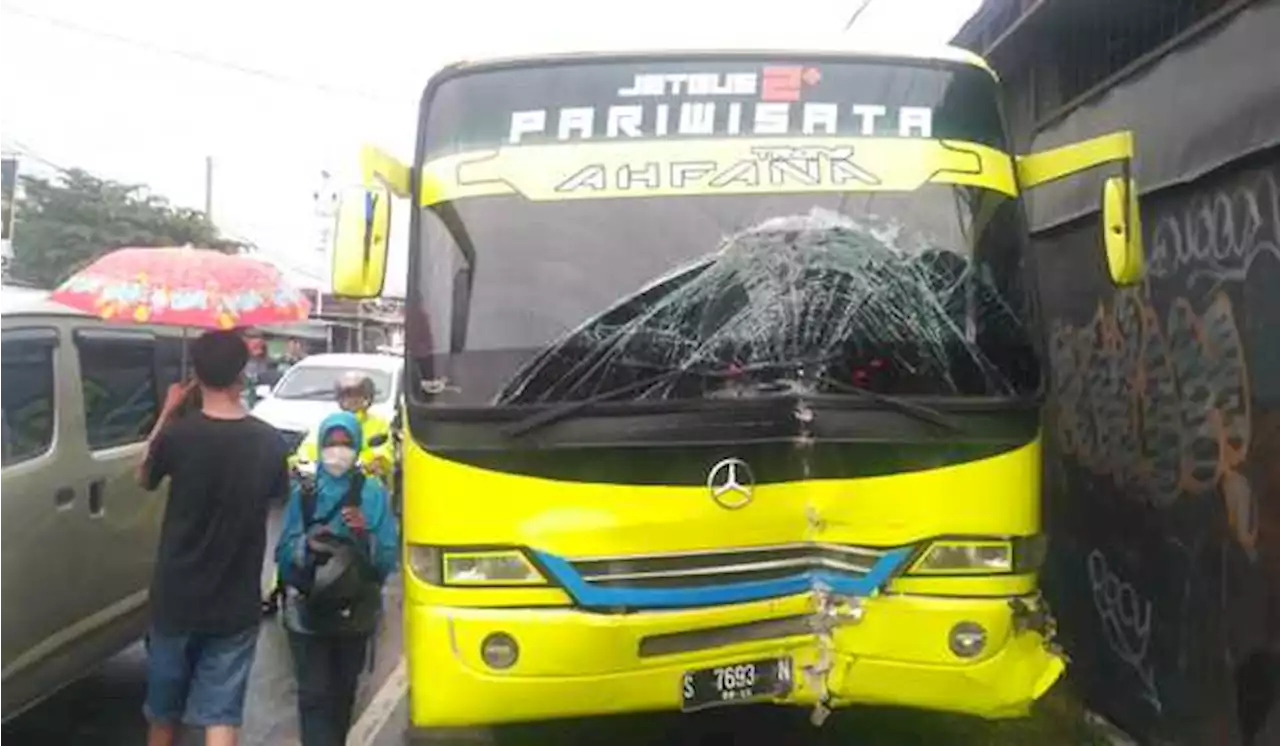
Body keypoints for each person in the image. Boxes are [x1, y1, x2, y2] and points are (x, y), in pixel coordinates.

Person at [137, 330, 291, 746]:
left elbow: (144, 476)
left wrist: (168, 412)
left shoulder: (178, 435)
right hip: (235, 598)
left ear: (196, 374)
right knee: (221, 714)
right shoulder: (269, 441)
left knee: (164, 714)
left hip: (176, 597)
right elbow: (278, 496)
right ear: (242, 373)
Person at [275, 411, 398, 746]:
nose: (337, 452)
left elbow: (386, 557)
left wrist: (363, 532)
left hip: (354, 614)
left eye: (346, 444)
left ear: (357, 447)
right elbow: (283, 553)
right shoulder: (305, 492)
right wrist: (307, 548)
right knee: (313, 696)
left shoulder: (372, 494)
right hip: (306, 613)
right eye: (331, 443)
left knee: (343, 694)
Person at [290, 372, 394, 479]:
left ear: (368, 397)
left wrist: (365, 461)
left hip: (365, 482)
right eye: (346, 396)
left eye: (357, 395)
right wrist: (305, 461)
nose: (352, 400)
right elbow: (310, 447)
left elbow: (384, 451)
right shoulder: (330, 422)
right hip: (328, 480)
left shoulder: (380, 424)